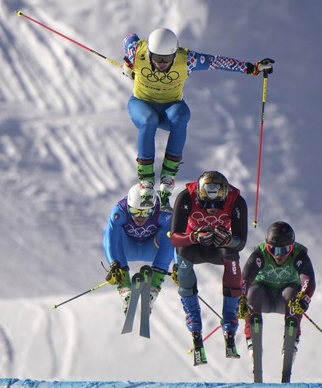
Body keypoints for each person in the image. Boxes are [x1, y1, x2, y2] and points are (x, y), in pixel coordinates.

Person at [122, 28, 274, 211]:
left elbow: (218, 62)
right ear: (149, 52)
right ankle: (146, 181)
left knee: (182, 114)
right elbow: (129, 36)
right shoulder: (138, 51)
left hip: (169, 107)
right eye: (157, 59)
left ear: (174, 53)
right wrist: (129, 64)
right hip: (142, 104)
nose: (162, 64)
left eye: (167, 59)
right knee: (149, 120)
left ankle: (167, 179)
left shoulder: (186, 59)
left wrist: (253, 68)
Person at [169, 171, 248, 365]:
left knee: (232, 259)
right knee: (184, 259)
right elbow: (174, 238)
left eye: (217, 205)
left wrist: (229, 239)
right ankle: (194, 322)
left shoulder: (237, 201)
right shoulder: (186, 197)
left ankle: (230, 323)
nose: (211, 210)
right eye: (206, 205)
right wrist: (193, 237)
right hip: (192, 245)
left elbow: (241, 241)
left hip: (219, 246)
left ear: (226, 196)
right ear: (198, 196)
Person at [237, 221, 316, 369]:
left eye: (285, 250)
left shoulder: (299, 255)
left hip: (285, 299)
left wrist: (304, 298)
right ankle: (253, 343)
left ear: (292, 247)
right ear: (267, 246)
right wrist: (240, 298)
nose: (278, 255)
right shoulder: (260, 253)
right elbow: (245, 279)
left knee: (293, 294)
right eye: (273, 249)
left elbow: (308, 281)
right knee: (252, 292)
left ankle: (290, 344)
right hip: (263, 296)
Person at [103, 182, 174, 313]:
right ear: (129, 207)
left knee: (171, 231)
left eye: (146, 212)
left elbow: (178, 238)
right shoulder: (119, 211)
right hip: (127, 249)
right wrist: (114, 265)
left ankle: (154, 287)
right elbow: (110, 240)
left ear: (153, 208)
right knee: (109, 231)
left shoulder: (164, 212)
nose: (140, 217)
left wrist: (179, 265)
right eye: (135, 212)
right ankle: (124, 287)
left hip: (152, 248)